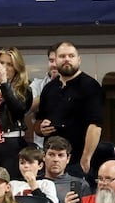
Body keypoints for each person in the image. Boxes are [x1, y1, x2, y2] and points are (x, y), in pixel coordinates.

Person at [31, 41, 105, 177]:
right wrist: (40, 128)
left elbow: (95, 126)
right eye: (62, 56)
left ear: (79, 59)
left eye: (71, 56)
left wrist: (86, 158)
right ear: (55, 61)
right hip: (52, 163)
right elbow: (37, 122)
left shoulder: (90, 86)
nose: (67, 59)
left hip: (79, 161)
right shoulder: (49, 89)